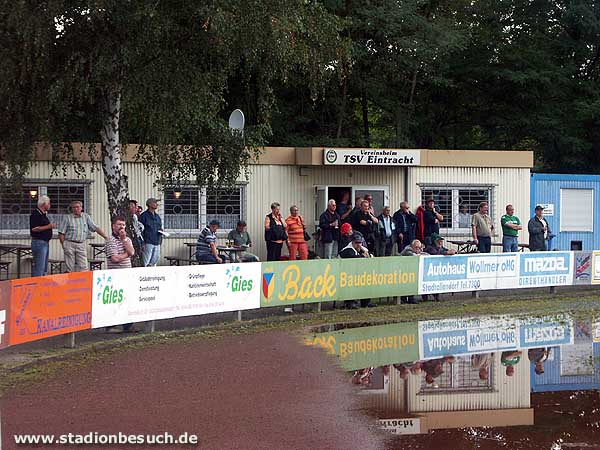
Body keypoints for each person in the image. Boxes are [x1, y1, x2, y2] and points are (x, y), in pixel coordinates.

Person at [104, 215, 136, 332]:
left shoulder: (127, 239)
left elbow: (132, 251)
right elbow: (115, 259)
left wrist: (124, 240)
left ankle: (128, 325)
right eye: (119, 225)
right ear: (113, 226)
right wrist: (126, 254)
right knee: (115, 301)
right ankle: (110, 326)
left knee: (127, 300)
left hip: (126, 274)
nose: (121, 227)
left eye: (123, 225)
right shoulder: (110, 240)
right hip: (115, 274)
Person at [58, 200, 108, 272]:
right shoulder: (67, 218)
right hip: (69, 243)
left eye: (78, 207)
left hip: (81, 244)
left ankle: (84, 282)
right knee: (70, 267)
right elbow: (61, 233)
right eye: (74, 207)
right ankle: (70, 282)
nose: (76, 209)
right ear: (71, 209)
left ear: (81, 208)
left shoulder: (86, 217)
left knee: (83, 266)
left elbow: (95, 227)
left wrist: (105, 237)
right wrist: (63, 245)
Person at [339, 233, 375, 309]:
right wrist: (363, 256)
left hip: (356, 273)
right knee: (351, 282)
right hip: (343, 275)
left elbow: (370, 255)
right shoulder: (347, 250)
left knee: (367, 280)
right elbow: (353, 257)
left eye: (360, 242)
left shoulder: (360, 248)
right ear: (352, 242)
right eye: (356, 243)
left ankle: (365, 303)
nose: (358, 244)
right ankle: (349, 303)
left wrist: (367, 255)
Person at [423, 233, 455, 302]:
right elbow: (436, 253)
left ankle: (436, 296)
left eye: (441, 241)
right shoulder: (429, 248)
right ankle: (425, 297)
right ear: (434, 242)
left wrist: (452, 251)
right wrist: (446, 253)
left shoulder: (441, 248)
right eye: (438, 241)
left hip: (437, 270)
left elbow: (446, 250)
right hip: (428, 270)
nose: (440, 243)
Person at [30, 195, 55, 277]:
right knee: (39, 266)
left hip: (45, 242)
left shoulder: (43, 214)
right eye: (49, 203)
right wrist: (49, 226)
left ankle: (42, 283)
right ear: (44, 204)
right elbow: (34, 229)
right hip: (39, 242)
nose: (50, 205)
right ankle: (36, 284)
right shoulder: (36, 214)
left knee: (44, 266)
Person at [139, 197, 164, 266]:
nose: (157, 204)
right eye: (155, 202)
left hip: (157, 241)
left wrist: (161, 231)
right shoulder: (144, 216)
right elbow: (140, 231)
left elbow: (159, 227)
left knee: (155, 260)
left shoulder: (157, 217)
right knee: (146, 261)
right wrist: (142, 243)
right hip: (147, 242)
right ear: (149, 204)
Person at [399, 240, 424, 304]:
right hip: (402, 271)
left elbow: (426, 254)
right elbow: (413, 256)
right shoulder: (407, 250)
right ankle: (403, 299)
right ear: (412, 246)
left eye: (419, 247)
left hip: (410, 271)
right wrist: (419, 253)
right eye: (416, 247)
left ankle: (411, 298)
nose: (418, 249)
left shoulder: (416, 251)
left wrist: (421, 252)